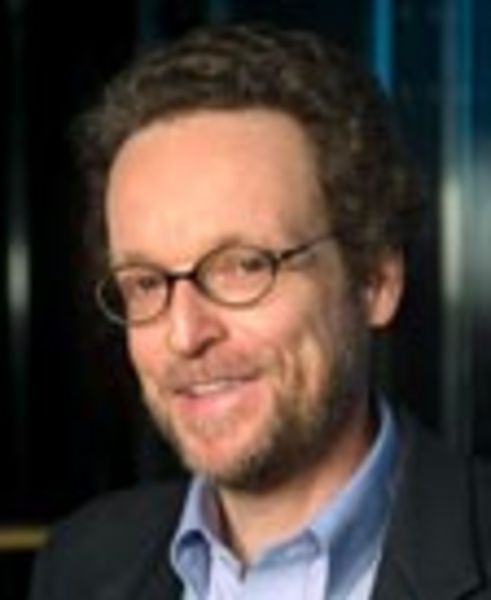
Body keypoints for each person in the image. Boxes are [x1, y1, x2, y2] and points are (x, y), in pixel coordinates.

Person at [29, 22, 491, 600]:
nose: (184, 334)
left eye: (244, 266)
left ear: (374, 281)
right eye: (145, 282)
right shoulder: (81, 563)